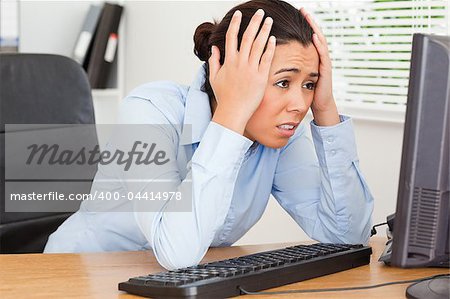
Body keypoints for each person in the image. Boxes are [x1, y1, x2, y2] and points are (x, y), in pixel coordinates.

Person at [44, 0, 374, 271]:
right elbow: (175, 251)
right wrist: (232, 113)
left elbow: (347, 235)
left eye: (309, 85)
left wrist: (327, 110)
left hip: (173, 282)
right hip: (78, 274)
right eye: (283, 82)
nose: (300, 105)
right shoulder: (150, 111)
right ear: (231, 74)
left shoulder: (279, 132)